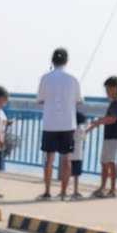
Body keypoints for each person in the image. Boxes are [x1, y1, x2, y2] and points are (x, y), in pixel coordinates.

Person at [36, 48, 81, 200]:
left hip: (50, 123)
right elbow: (79, 99)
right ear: (66, 60)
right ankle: (63, 192)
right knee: (66, 158)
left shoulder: (45, 78)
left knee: (49, 159)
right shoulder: (73, 78)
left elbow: (40, 98)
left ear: (52, 60)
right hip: (67, 123)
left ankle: (48, 191)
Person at [86, 75, 117, 197]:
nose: (107, 92)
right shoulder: (113, 103)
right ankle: (103, 187)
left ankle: (112, 189)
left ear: (115, 88)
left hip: (114, 136)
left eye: (108, 89)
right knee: (104, 162)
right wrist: (99, 121)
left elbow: (113, 119)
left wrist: (101, 121)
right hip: (109, 136)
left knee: (110, 162)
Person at [69, 110, 86, 198]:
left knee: (68, 171)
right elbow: (83, 137)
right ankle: (75, 190)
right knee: (76, 174)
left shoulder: (70, 129)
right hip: (78, 155)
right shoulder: (80, 130)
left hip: (69, 154)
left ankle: (64, 189)